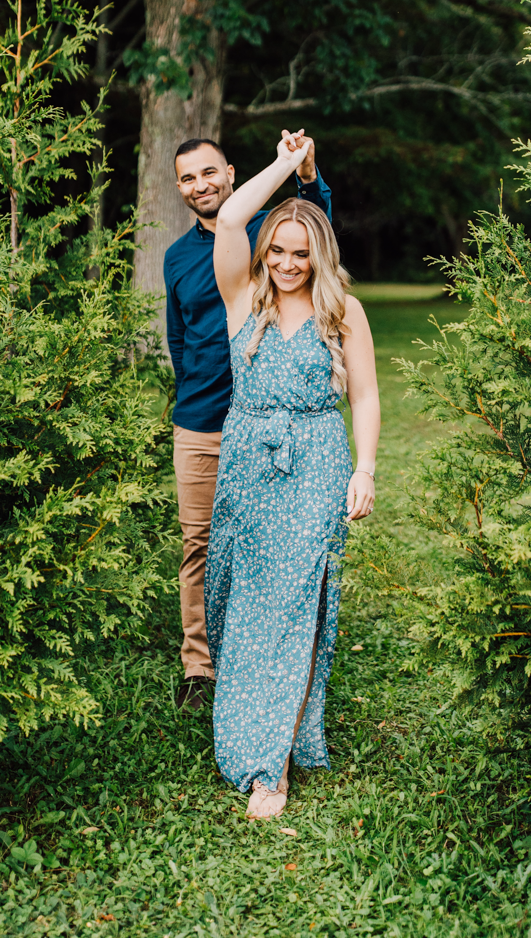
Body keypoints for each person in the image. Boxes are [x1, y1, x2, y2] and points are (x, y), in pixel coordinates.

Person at [205, 130, 380, 819]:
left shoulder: (344, 311)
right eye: (276, 250)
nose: (284, 263)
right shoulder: (243, 298)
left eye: (300, 254)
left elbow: (364, 396)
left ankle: (268, 766)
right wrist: (286, 167)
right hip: (246, 461)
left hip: (314, 463)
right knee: (236, 603)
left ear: (319, 256)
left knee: (291, 604)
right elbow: (227, 218)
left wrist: (363, 468)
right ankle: (255, 720)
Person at [164, 133, 333, 710]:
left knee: (266, 544)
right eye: (187, 178)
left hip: (267, 426)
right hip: (202, 421)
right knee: (200, 545)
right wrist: (197, 393)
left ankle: (261, 656)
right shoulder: (177, 258)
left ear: (231, 173)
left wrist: (303, 174)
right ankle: (199, 665)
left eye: (209, 173)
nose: (200, 185)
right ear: (181, 188)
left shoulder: (264, 233)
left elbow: (317, 236)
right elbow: (179, 340)